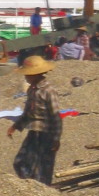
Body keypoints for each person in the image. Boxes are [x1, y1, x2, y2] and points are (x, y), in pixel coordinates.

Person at [9, 54, 61, 185]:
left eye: (27, 74)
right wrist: (15, 126)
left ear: (36, 74)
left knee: (43, 166)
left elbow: (56, 116)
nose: (25, 77)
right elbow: (28, 113)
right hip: (34, 131)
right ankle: (32, 185)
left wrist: (56, 138)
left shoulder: (49, 91)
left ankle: (42, 190)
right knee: (20, 162)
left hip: (46, 133)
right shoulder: (32, 91)